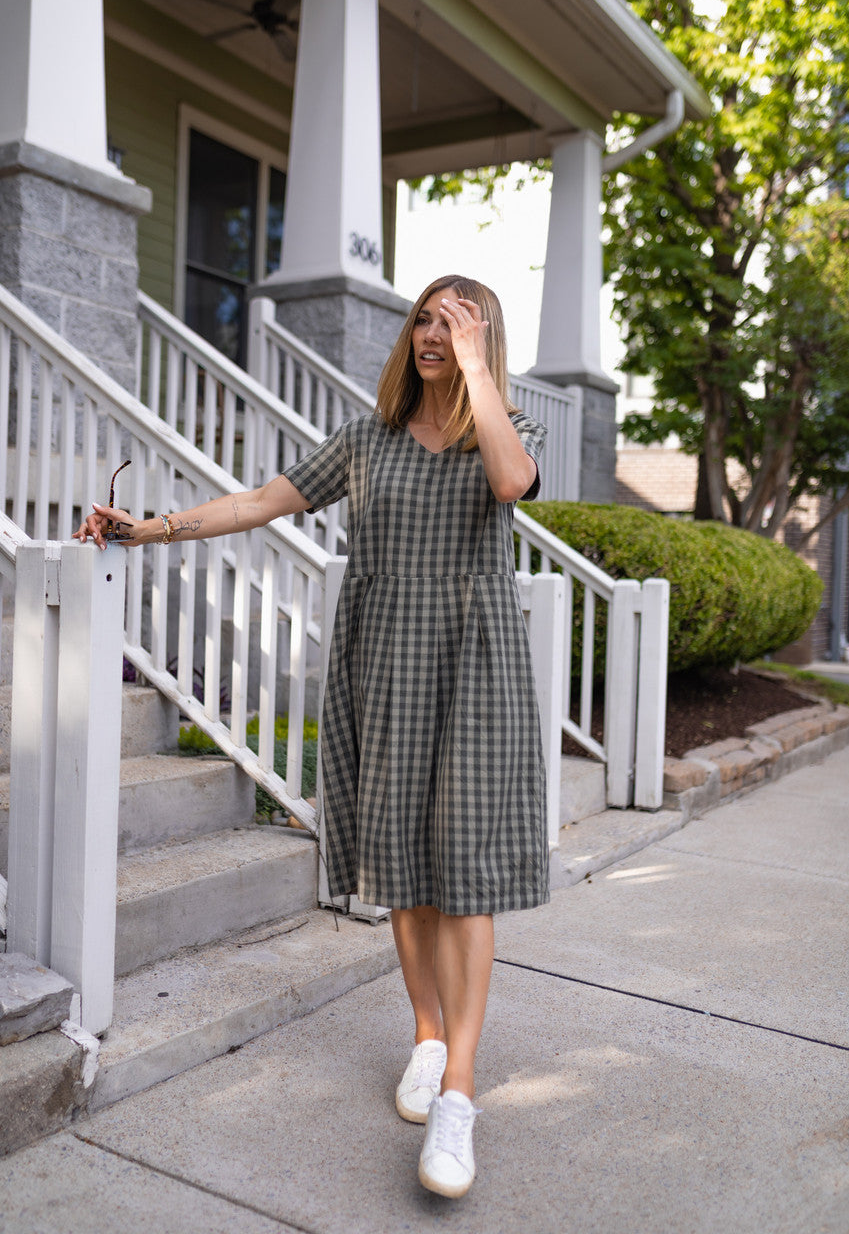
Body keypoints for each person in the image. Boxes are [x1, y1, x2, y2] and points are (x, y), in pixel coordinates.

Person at [75, 275, 549, 1199]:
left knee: (464, 877)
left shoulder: (502, 432)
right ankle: (425, 1036)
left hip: (473, 670)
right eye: (423, 318)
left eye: (452, 324)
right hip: (381, 668)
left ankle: (458, 1093)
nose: (430, 335)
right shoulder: (366, 442)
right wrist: (150, 528)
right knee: (402, 872)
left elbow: (509, 481)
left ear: (484, 338)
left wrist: (481, 375)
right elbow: (260, 502)